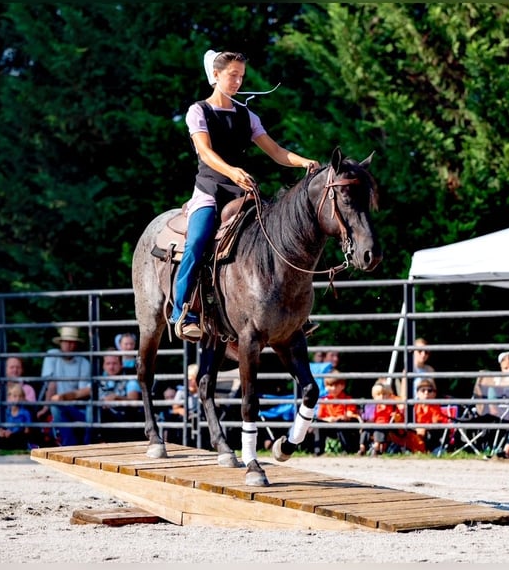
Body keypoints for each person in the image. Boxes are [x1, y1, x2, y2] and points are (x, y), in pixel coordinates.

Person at [168, 49, 319, 341]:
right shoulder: (198, 110)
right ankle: (182, 311)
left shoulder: (246, 115)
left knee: (277, 237)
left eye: (241, 76)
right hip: (210, 189)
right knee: (197, 241)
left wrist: (303, 161)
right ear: (215, 75)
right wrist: (233, 170)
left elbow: (276, 152)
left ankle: (294, 313)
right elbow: (206, 153)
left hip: (242, 192)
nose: (238, 81)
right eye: (232, 75)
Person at [38, 326, 92, 446]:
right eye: (66, 342)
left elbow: (82, 392)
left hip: (77, 407)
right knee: (54, 406)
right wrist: (46, 407)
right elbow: (51, 384)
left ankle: (80, 444)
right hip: (59, 404)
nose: (69, 345)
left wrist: (63, 397)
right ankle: (69, 445)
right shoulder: (52, 356)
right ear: (60, 343)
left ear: (76, 344)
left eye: (72, 342)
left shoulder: (83, 362)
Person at [98, 349, 143, 442]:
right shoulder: (98, 381)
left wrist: (116, 398)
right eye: (108, 363)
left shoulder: (129, 381)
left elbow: (134, 401)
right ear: (103, 366)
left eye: (114, 363)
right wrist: (61, 397)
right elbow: (79, 393)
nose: (111, 367)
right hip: (101, 420)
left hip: (122, 422)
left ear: (121, 365)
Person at [312, 372, 361, 455]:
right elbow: (320, 417)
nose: (334, 388)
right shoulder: (324, 400)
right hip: (330, 426)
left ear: (343, 386)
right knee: (317, 423)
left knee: (340, 422)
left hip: (343, 427)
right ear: (326, 387)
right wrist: (329, 419)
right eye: (330, 386)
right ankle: (318, 451)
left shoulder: (348, 399)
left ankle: (347, 450)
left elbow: (350, 414)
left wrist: (341, 417)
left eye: (336, 385)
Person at [359, 380, 405, 456]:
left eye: (384, 394)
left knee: (379, 428)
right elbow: (366, 416)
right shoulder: (372, 406)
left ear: (390, 395)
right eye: (378, 395)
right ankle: (362, 447)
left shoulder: (392, 406)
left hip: (386, 425)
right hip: (374, 423)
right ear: (374, 397)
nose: (382, 397)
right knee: (366, 429)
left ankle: (376, 448)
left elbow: (398, 417)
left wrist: (396, 416)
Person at [412, 378, 452, 454]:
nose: (426, 393)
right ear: (417, 393)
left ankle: (432, 450)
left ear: (434, 394)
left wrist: (424, 428)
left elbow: (436, 422)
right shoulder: (413, 407)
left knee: (431, 433)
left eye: (429, 391)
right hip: (416, 433)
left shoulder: (435, 406)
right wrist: (417, 428)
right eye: (423, 390)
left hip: (431, 434)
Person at [0, 383, 33, 450]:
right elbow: (2, 426)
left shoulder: (25, 412)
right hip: (7, 435)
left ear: (23, 397)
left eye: (20, 396)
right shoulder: (6, 412)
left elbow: (27, 431)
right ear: (9, 397)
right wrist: (1, 431)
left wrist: (13, 433)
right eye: (15, 396)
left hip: (19, 437)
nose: (18, 399)